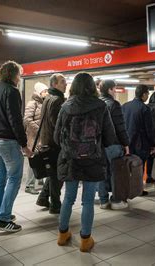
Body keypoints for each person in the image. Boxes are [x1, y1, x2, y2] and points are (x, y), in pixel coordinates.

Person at [55, 72, 115, 252]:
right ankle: (85, 240)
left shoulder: (65, 106)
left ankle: (62, 234)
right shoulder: (100, 106)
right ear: (92, 87)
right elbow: (110, 136)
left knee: (68, 198)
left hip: (70, 159)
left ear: (73, 87)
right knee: (88, 201)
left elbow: (57, 136)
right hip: (93, 159)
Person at [0, 61, 33, 232]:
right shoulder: (11, 91)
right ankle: (4, 218)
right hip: (8, 142)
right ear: (12, 74)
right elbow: (15, 120)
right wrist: (24, 144)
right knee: (14, 178)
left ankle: (1, 212)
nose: (20, 78)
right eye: (19, 74)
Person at [36, 74, 67, 214]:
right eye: (62, 82)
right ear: (54, 84)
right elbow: (58, 124)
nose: (65, 84)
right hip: (55, 143)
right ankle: (55, 205)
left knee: (53, 173)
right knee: (57, 175)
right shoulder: (57, 100)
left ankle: (43, 197)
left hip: (47, 140)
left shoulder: (47, 98)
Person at [97, 80, 130, 210]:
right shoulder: (114, 104)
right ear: (110, 90)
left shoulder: (97, 104)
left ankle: (103, 201)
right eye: (114, 89)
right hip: (113, 144)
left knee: (102, 173)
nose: (115, 92)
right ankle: (116, 201)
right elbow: (120, 127)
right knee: (116, 173)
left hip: (99, 144)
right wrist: (126, 143)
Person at [122, 84, 155, 185]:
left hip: (127, 142)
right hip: (141, 143)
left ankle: (127, 187)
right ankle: (137, 189)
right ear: (144, 94)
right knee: (139, 166)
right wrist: (153, 144)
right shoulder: (145, 109)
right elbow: (149, 129)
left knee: (128, 166)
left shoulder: (125, 106)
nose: (147, 96)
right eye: (147, 94)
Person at [24, 82, 48, 195]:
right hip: (34, 137)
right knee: (33, 160)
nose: (46, 93)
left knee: (42, 158)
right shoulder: (32, 103)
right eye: (44, 91)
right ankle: (29, 185)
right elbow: (27, 119)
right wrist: (39, 129)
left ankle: (41, 180)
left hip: (42, 137)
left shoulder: (44, 103)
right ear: (39, 92)